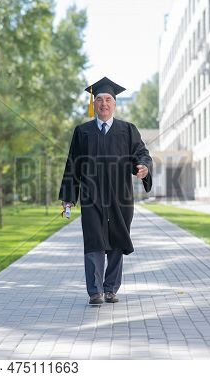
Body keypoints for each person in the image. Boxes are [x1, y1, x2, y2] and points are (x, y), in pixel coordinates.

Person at [58, 77, 153, 305]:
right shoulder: (83, 132)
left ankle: (110, 289)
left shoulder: (127, 130)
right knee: (94, 241)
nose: (103, 104)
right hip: (92, 198)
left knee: (117, 242)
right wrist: (69, 198)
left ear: (115, 104)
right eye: (99, 99)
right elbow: (73, 165)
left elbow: (142, 153)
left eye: (108, 99)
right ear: (94, 104)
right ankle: (95, 291)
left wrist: (144, 168)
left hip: (121, 197)